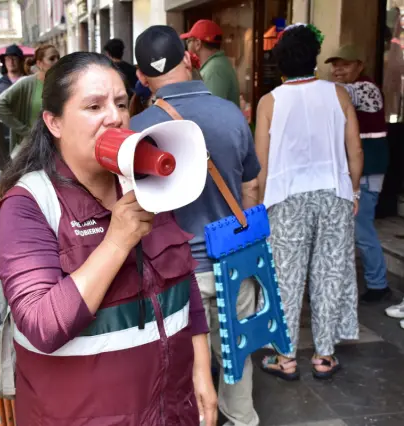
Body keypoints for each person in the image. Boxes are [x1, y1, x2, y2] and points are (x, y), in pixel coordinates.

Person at [0, 51, 217, 425]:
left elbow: (182, 280)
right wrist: (116, 242)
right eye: (93, 106)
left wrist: (201, 369)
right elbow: (42, 325)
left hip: (169, 410)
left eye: (119, 103)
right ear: (54, 122)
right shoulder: (27, 206)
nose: (114, 117)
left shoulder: (145, 184)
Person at [130, 25, 260, 426]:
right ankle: (241, 418)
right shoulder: (231, 114)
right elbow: (252, 185)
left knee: (183, 364)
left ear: (141, 76)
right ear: (189, 58)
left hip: (175, 272)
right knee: (236, 356)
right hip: (233, 261)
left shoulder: (137, 132)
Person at [255, 24, 363, 380]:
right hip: (333, 194)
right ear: (314, 59)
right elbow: (355, 151)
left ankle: (285, 358)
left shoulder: (269, 102)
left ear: (281, 63)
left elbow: (261, 163)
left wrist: (257, 206)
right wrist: (355, 190)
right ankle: (324, 355)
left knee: (285, 277)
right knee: (330, 273)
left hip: (285, 198)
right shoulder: (338, 94)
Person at [326, 44, 392, 304]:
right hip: (355, 171)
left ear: (359, 66)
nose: (337, 70)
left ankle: (379, 285)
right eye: (335, 64)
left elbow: (336, 95)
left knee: (362, 231)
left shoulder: (365, 89)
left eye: (345, 64)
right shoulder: (348, 89)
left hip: (366, 172)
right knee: (354, 230)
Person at [0, 44, 59, 156]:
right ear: (40, 64)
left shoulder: (61, 85)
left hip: (55, 149)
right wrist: (25, 131)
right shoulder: (27, 82)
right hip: (31, 150)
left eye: (59, 57)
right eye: (52, 58)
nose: (57, 61)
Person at [181, 19, 240, 106]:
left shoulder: (214, 70)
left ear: (198, 43)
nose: (187, 46)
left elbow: (211, 110)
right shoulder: (217, 64)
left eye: (189, 41)